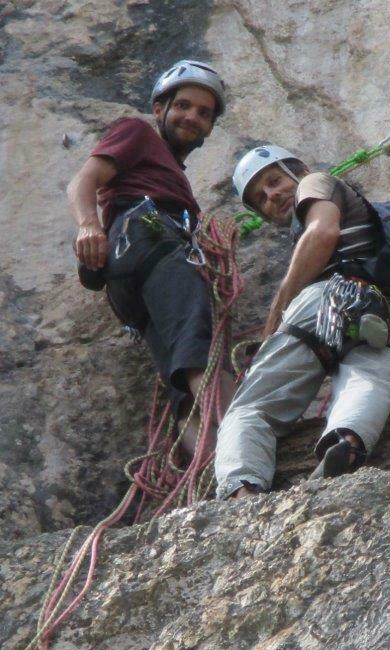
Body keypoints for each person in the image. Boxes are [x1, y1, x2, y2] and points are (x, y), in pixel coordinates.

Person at [214, 145, 390, 499]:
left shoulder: (316, 182)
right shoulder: (362, 222)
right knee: (369, 376)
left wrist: (278, 312)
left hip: (326, 301)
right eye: (261, 198)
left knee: (252, 408)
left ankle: (241, 489)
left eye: (274, 180)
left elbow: (322, 233)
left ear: (300, 169)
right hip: (387, 311)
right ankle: (347, 441)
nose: (272, 195)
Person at [67, 60, 235, 455]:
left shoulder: (170, 172)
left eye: (204, 113)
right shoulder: (137, 131)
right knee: (201, 343)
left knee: (180, 380)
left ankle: (212, 469)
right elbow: (83, 180)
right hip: (149, 236)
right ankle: (245, 442)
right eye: (183, 105)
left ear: (210, 128)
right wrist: (88, 225)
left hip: (130, 276)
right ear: (159, 109)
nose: (192, 117)